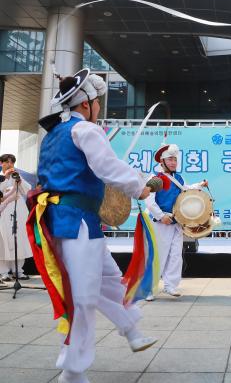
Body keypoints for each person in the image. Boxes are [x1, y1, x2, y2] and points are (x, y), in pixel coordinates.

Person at [32, 68, 157, 383]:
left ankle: (131, 330)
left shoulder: (54, 134)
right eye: (97, 101)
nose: (100, 107)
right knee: (84, 295)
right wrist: (138, 186)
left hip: (73, 220)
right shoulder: (86, 130)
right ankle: (72, 370)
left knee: (111, 280)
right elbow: (107, 167)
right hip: (75, 223)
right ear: (86, 103)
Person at [144, 143, 208, 300]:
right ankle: (149, 289)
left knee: (175, 255)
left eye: (175, 159)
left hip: (176, 221)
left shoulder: (178, 178)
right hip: (160, 222)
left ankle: (170, 286)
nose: (173, 162)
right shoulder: (155, 178)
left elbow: (186, 190)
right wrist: (161, 216)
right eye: (170, 159)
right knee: (159, 255)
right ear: (162, 162)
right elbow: (149, 201)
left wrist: (200, 184)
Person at [0, 153, 32, 281]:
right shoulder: (1, 178)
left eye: (12, 162)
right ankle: (4, 272)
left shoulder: (18, 176)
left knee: (20, 239)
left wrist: (20, 179)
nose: (9, 164)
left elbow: (28, 191)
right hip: (3, 212)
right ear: (1, 163)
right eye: (6, 162)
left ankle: (18, 271)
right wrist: (7, 179)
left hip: (19, 211)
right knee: (4, 240)